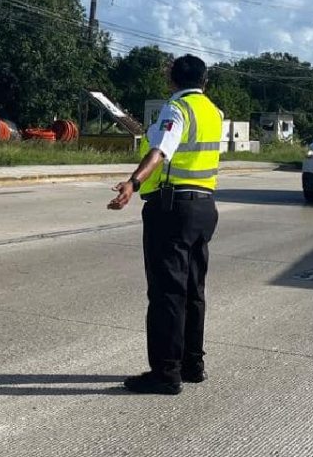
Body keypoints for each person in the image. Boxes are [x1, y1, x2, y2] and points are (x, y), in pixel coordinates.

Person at [107, 54, 223, 395]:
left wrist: (133, 182)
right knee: (192, 290)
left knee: (166, 293)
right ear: (204, 81)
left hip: (173, 210)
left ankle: (165, 373)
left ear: (173, 79)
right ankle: (192, 364)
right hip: (204, 207)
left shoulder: (178, 109)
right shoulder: (213, 112)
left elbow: (160, 151)